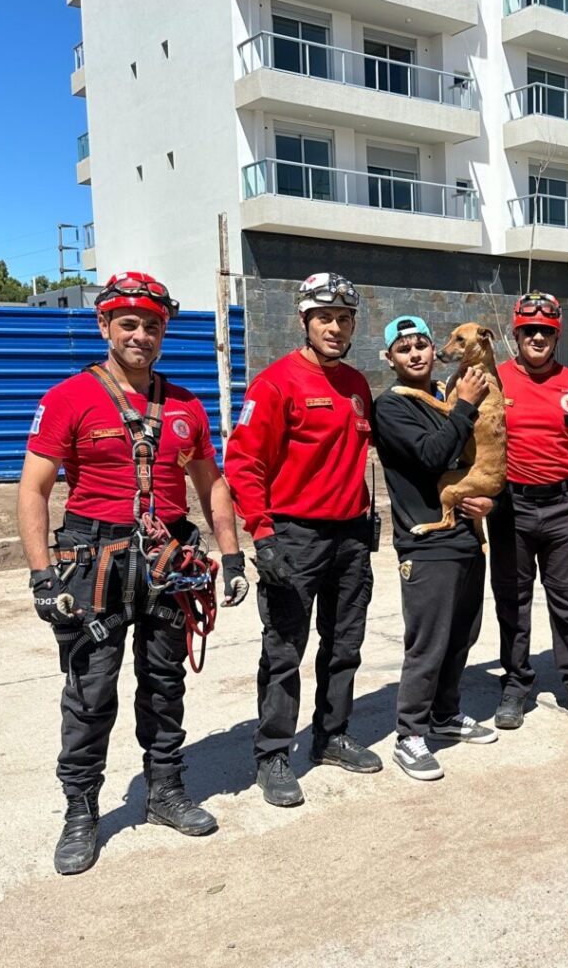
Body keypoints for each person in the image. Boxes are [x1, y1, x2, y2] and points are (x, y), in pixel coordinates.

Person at [17, 270, 250, 876]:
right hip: (93, 559)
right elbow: (33, 490)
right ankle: (81, 810)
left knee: (165, 681)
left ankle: (165, 791)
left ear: (163, 332)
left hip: (168, 559)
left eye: (152, 325)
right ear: (105, 326)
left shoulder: (186, 405)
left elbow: (211, 484)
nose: (140, 335)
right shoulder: (68, 398)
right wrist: (42, 576)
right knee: (90, 691)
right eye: (128, 324)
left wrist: (231, 556)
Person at [224, 272, 381, 808]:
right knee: (285, 650)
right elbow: (244, 462)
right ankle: (272, 753)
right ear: (304, 322)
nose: (335, 328)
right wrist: (262, 534)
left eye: (344, 319)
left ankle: (331, 735)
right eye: (324, 318)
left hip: (351, 536)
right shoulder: (275, 384)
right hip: (294, 536)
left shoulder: (357, 385)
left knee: (345, 645)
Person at [373, 315, 497, 782]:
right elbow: (433, 455)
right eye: (403, 349)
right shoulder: (392, 406)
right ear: (390, 359)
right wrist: (465, 405)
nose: (416, 354)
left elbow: (480, 453)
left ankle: (445, 714)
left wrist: (487, 500)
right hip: (426, 543)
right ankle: (409, 733)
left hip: (465, 535)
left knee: (463, 634)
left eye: (421, 345)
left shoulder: (449, 392)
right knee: (428, 643)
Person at [488, 292, 568, 730]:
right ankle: (515, 686)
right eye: (529, 331)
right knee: (512, 602)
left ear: (556, 336)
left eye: (546, 331)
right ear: (516, 334)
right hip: (510, 508)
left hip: (562, 508)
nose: (537, 337)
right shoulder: (495, 380)